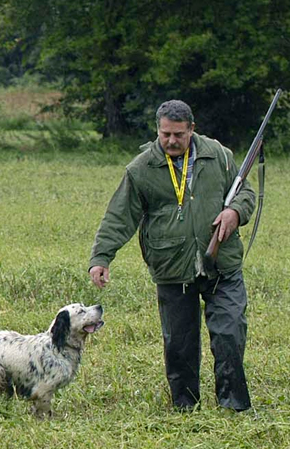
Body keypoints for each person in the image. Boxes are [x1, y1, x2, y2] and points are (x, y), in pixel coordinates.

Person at [88, 100, 255, 412]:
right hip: (171, 267)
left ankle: (234, 406)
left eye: (179, 134)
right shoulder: (141, 168)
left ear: (192, 129)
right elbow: (119, 217)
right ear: (157, 130)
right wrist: (101, 258)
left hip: (222, 264)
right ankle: (185, 407)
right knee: (179, 344)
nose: (171, 141)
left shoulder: (218, 155)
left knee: (230, 335)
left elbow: (246, 191)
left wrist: (235, 211)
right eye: (165, 134)